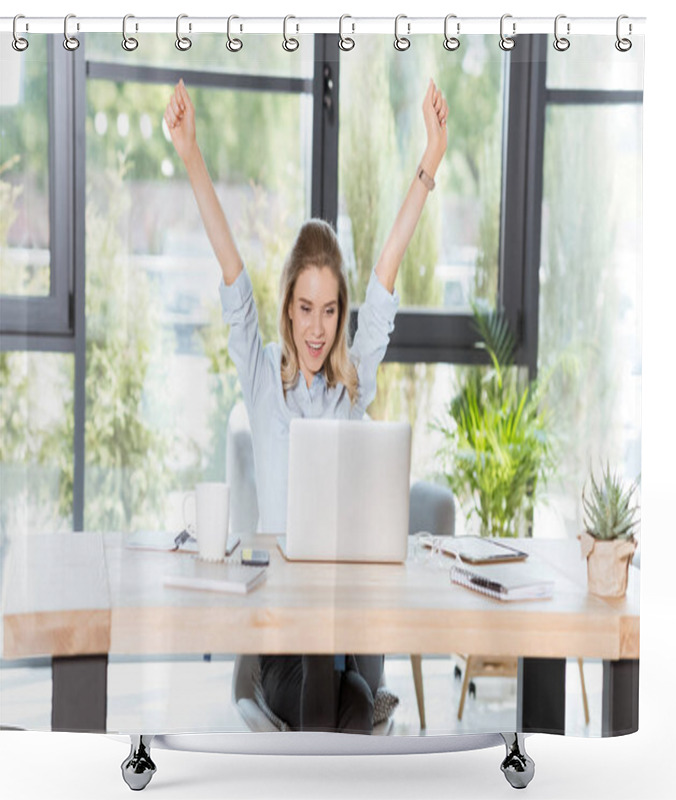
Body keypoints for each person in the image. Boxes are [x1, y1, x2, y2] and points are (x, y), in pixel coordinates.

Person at [164, 77, 448, 733]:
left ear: (339, 312)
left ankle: (352, 706)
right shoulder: (265, 380)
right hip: (289, 639)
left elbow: (386, 269)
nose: (317, 329)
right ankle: (355, 708)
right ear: (288, 305)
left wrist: (429, 162)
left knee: (351, 667)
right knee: (336, 686)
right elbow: (232, 269)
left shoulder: (355, 382)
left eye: (329, 311)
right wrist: (191, 156)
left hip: (351, 620)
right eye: (303, 308)